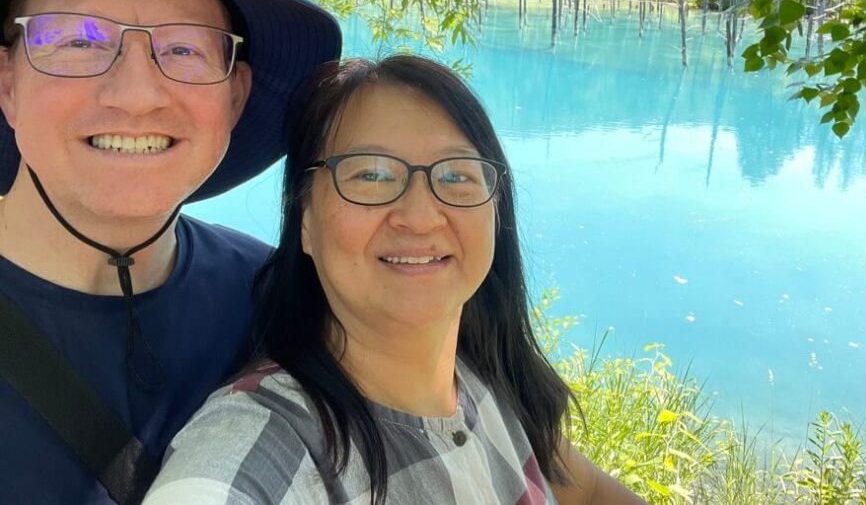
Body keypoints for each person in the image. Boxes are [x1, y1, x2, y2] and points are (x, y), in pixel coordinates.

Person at [145, 55, 647, 504]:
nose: (420, 216)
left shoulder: (489, 377)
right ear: (305, 222)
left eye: (456, 175)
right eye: (370, 175)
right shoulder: (270, 446)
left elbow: (592, 491)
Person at [0, 0, 342, 504]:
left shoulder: (283, 298)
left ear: (235, 98)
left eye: (184, 49)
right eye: (78, 40)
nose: (136, 95)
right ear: (8, 84)